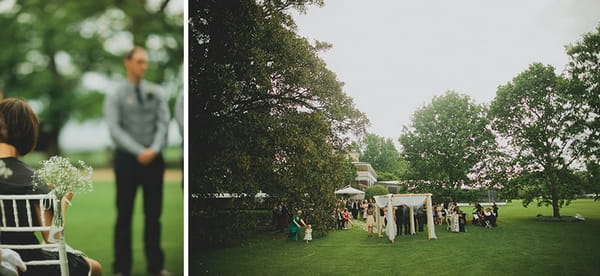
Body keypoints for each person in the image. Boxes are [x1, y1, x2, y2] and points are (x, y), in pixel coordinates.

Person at [0, 98, 102, 276]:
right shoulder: (32, 179)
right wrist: (62, 202)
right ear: (27, 133)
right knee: (96, 268)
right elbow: (52, 240)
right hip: (29, 265)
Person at [104, 46, 171, 276]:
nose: (144, 66)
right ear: (127, 62)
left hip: (154, 160)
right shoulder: (116, 94)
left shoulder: (157, 91)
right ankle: (121, 268)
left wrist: (153, 149)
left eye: (146, 62)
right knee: (124, 214)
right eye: (140, 61)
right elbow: (114, 128)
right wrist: (138, 151)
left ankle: (156, 266)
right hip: (127, 160)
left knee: (154, 215)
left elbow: (163, 124)